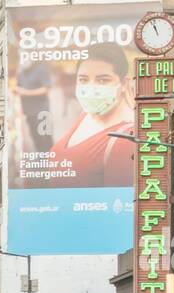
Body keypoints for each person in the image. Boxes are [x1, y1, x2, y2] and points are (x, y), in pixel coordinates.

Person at [45, 42, 135, 188]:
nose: (91, 88)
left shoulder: (127, 138)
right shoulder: (87, 114)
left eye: (103, 80)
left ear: (124, 83)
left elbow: (118, 203)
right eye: (83, 80)